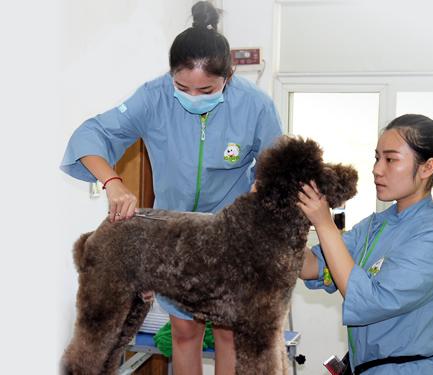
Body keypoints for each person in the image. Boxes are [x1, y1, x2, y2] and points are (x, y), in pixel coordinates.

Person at [60, 2, 283, 374]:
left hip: (228, 242)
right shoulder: (153, 96)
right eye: (183, 87)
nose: (193, 97)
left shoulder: (256, 106)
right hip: (173, 241)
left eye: (206, 89)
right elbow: (91, 134)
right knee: (184, 332)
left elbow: (276, 168)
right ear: (170, 75)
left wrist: (263, 193)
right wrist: (113, 182)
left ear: (228, 75)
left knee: (229, 334)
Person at [298, 114, 433, 374]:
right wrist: (277, 222)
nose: (377, 169)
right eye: (377, 158)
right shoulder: (374, 226)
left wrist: (324, 223)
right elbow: (311, 266)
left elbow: (370, 301)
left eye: (391, 160)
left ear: (427, 168)